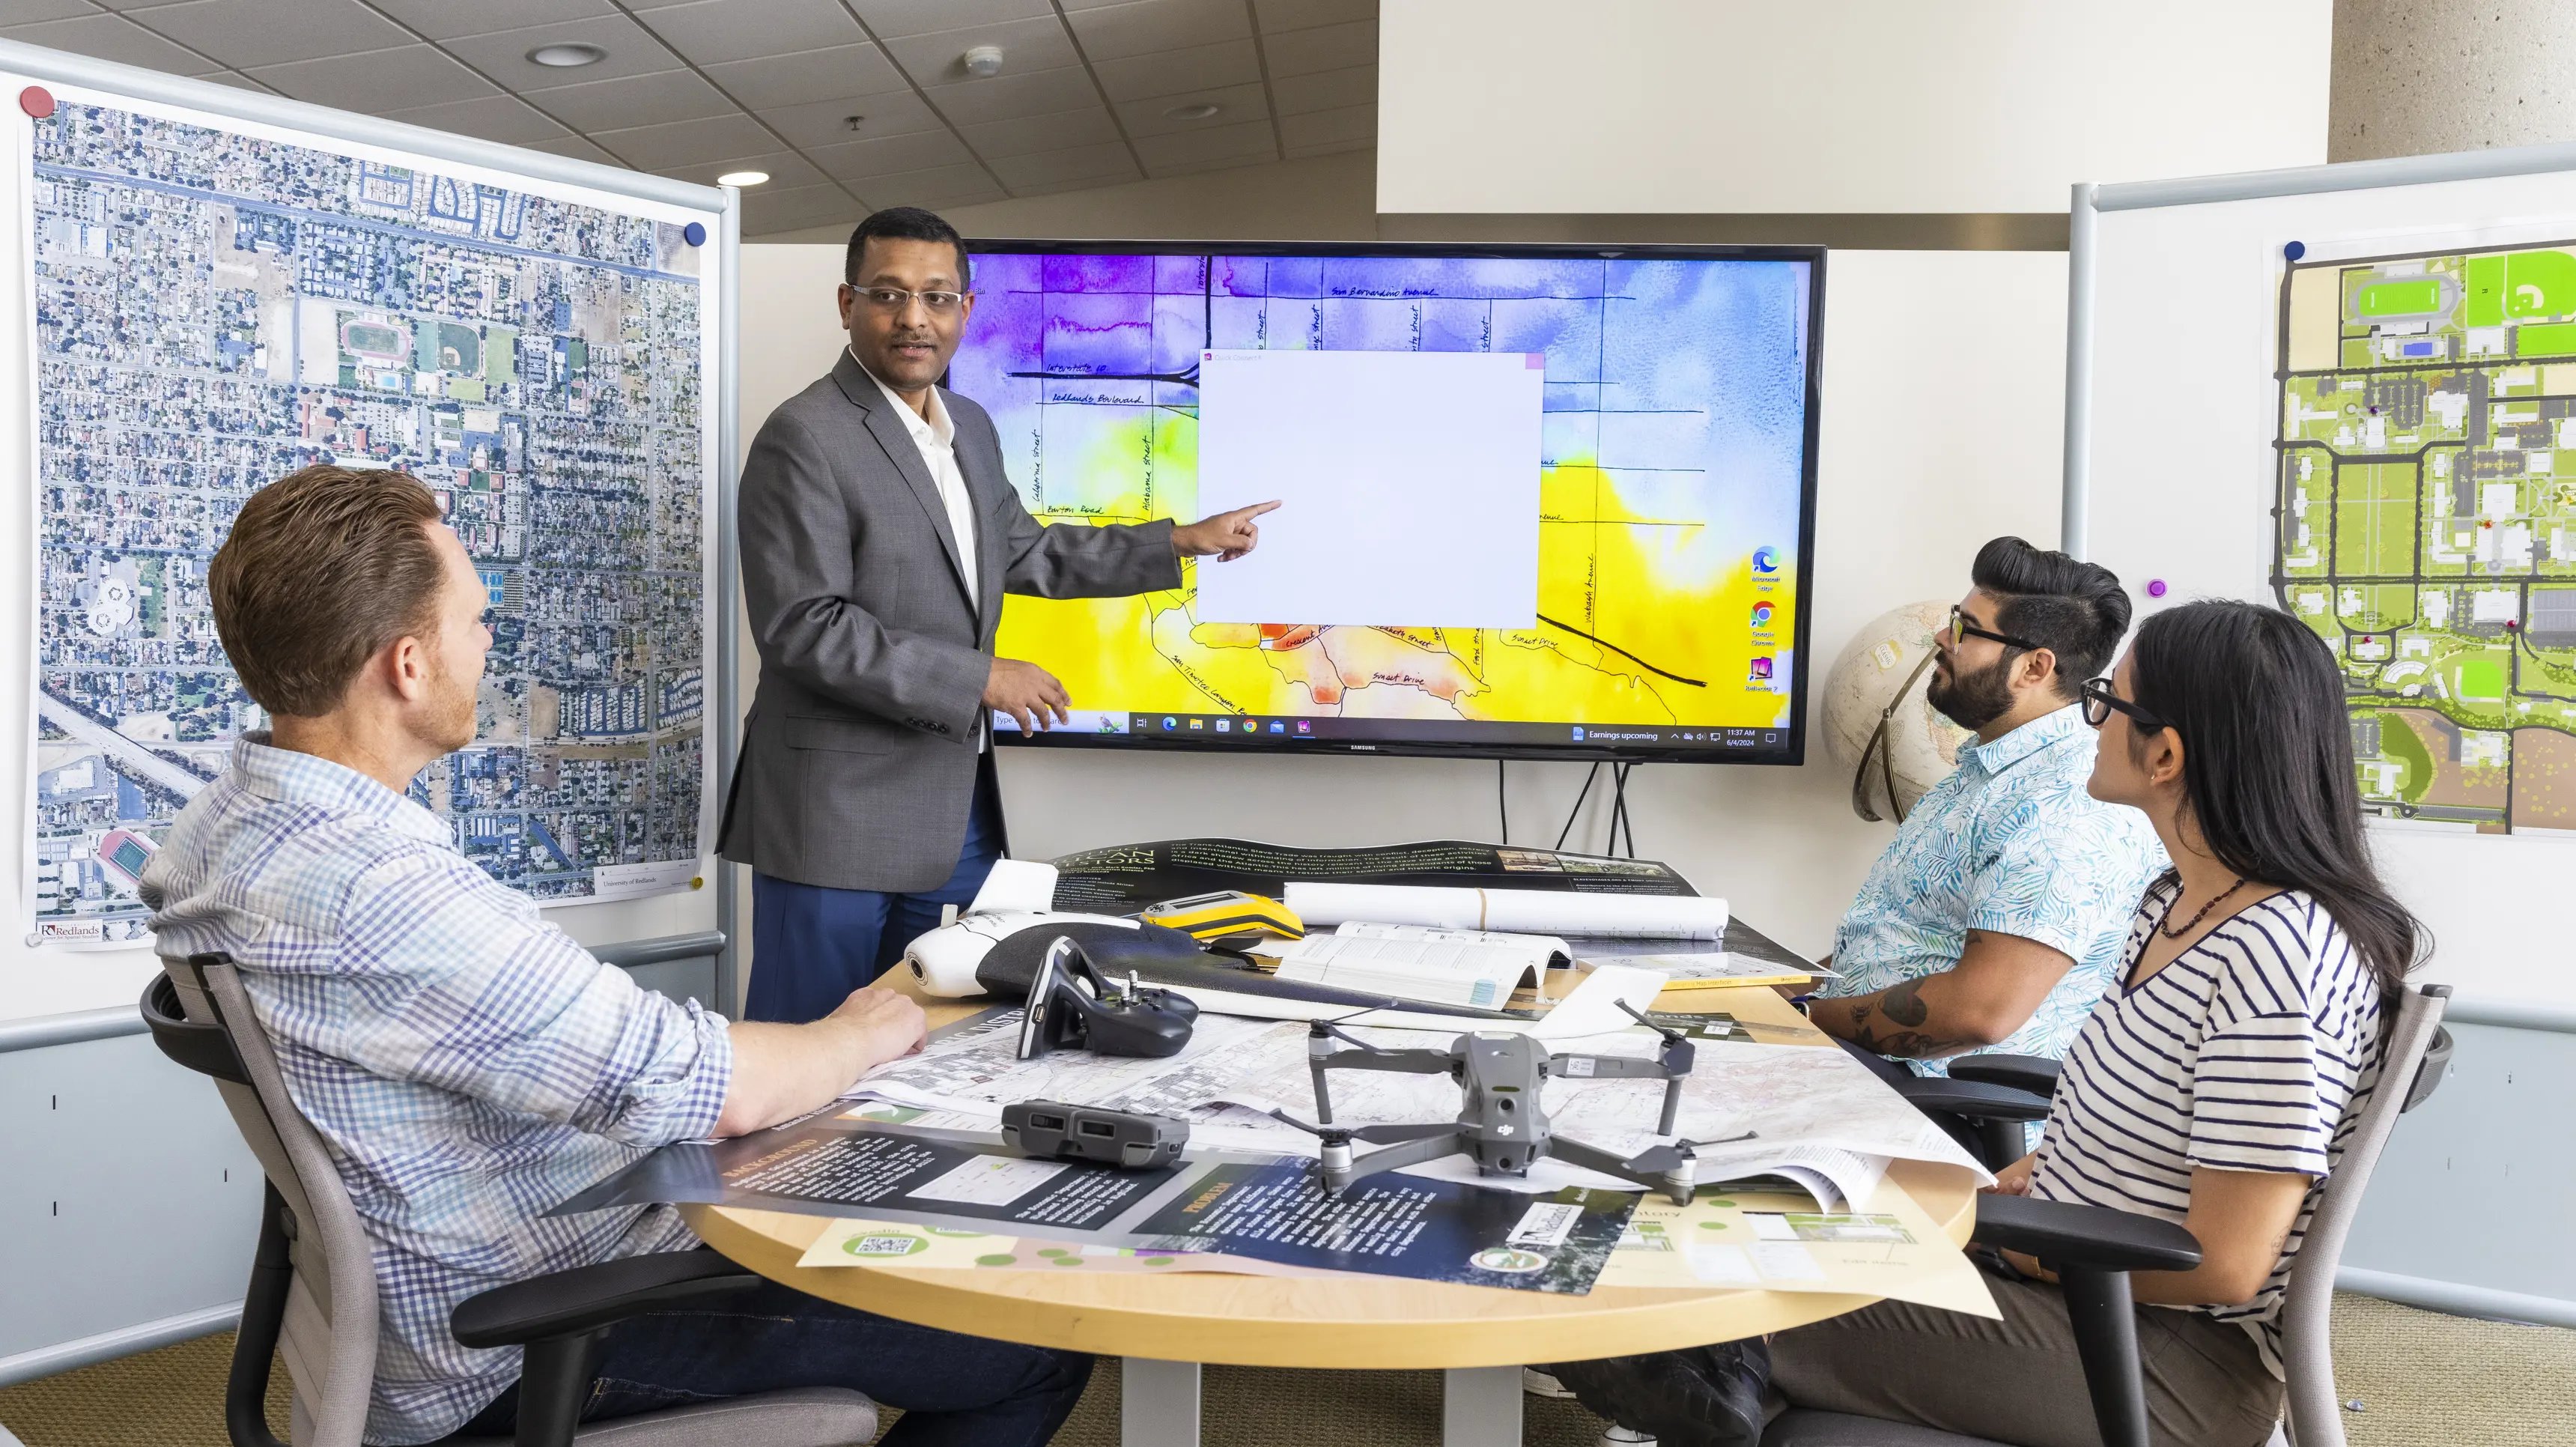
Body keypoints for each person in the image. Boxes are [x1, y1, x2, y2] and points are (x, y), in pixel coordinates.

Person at [145, 465, 1093, 1447]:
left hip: (444, 1293)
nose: (489, 641)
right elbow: (716, 1089)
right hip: (533, 1332)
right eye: (475, 621)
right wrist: (868, 1028)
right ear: (408, 665)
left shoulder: (222, 830)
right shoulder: (381, 892)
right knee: (1031, 1346)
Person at [1552, 598, 2419, 1447]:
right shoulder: (2177, 904)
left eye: (2106, 704)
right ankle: (1730, 1379)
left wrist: (2023, 1245)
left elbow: (2226, 1261)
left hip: (2160, 1362)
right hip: (2073, 1285)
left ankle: (1725, 1370)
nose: (2089, 721)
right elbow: (2158, 1112)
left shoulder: (2277, 955)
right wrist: (2053, 1167)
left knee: (1680, 1286)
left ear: (2164, 755)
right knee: (1721, 1242)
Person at [720, 206, 1278, 1022]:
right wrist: (981, 675)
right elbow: (805, 626)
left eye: (937, 298)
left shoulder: (971, 430)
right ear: (847, 305)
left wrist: (1182, 542)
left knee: (930, 1043)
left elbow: (1026, 552)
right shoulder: (803, 436)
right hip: (833, 819)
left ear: (966, 312)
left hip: (952, 818)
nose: (914, 317)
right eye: (889, 294)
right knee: (807, 1054)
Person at [1806, 537, 2166, 1076]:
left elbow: (1981, 1013)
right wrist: (1772, 992)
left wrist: (1804, 1019)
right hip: (1870, 1066)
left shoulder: (2065, 805)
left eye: (1965, 629)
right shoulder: (1984, 772)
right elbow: (1898, 939)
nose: (1939, 638)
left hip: (1941, 1107)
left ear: (2033, 668)